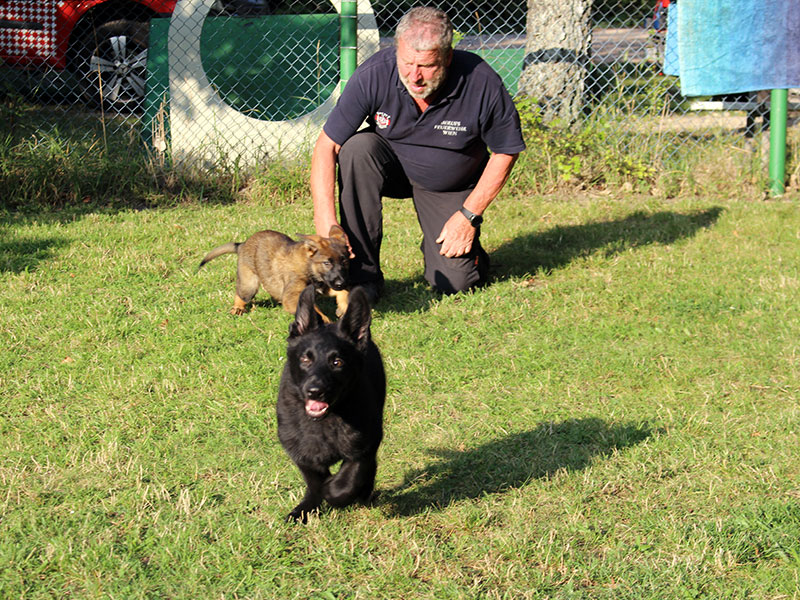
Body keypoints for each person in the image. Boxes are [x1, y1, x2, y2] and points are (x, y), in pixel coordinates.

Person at [310, 6, 525, 301]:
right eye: (407, 63)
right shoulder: (375, 73)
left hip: (449, 182)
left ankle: (462, 255)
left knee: (456, 283)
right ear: (396, 50)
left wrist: (468, 216)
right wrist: (327, 225)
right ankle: (362, 276)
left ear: (448, 58)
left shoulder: (480, 81)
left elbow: (505, 151)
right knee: (357, 149)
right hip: (391, 169)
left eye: (427, 66)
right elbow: (326, 145)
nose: (415, 76)